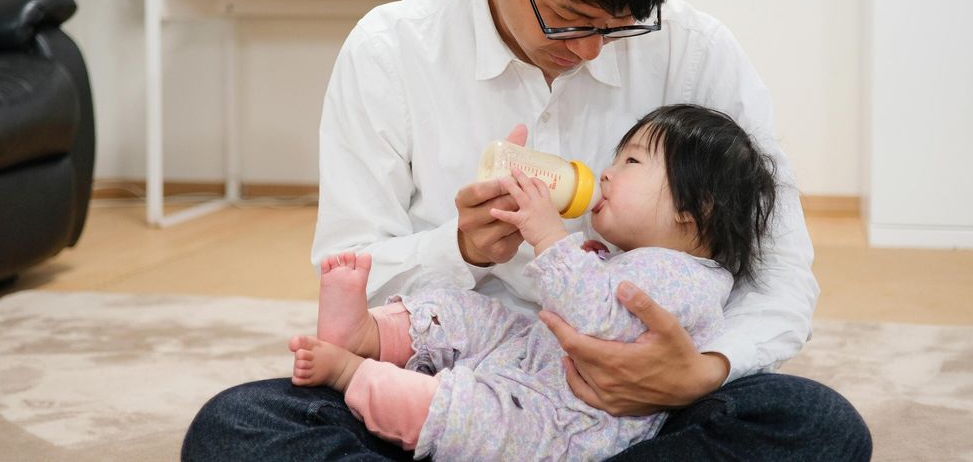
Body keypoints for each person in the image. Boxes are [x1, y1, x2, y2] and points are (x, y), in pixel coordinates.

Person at [182, 0, 872, 460]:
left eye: (622, 24)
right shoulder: (392, 50)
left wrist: (701, 372)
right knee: (237, 429)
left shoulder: (698, 53)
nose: (591, 48)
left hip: (637, 409)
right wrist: (459, 249)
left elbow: (780, 274)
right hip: (448, 386)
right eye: (569, 15)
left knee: (814, 425)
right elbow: (351, 270)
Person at [287, 104, 776, 460]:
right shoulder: (644, 259)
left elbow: (601, 321)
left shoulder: (691, 280)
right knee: (468, 311)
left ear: (696, 209)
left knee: (807, 416)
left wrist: (549, 236)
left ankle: (353, 375)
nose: (605, 175)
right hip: (532, 356)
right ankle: (368, 333)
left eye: (631, 162)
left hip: (559, 419)